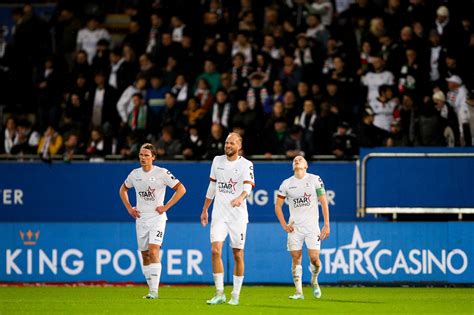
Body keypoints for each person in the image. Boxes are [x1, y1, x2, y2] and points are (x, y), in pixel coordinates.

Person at [119, 143, 186, 299]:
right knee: (144, 255)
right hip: (141, 218)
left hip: (157, 218)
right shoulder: (134, 174)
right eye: (141, 155)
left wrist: (166, 206)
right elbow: (123, 189)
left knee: (153, 250)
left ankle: (154, 291)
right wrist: (129, 208)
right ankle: (151, 289)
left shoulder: (162, 173)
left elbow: (181, 189)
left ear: (153, 157)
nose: (143, 158)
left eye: (147, 155)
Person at [200, 132, 255, 306]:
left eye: (231, 143)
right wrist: (205, 209)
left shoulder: (247, 164)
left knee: (238, 254)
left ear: (239, 146)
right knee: (215, 250)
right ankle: (219, 293)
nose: (228, 146)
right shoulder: (217, 161)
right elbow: (212, 186)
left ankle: (236, 294)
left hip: (238, 217)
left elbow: (248, 185)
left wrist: (241, 197)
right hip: (219, 215)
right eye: (226, 142)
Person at [274, 155, 330, 300]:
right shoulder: (286, 184)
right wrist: (284, 225)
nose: (296, 160)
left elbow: (324, 202)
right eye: (294, 160)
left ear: (306, 165)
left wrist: (326, 224)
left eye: (300, 159)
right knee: (296, 257)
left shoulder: (315, 179)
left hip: (312, 226)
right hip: (295, 228)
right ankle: (299, 292)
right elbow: (278, 206)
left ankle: (314, 279)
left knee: (314, 258)